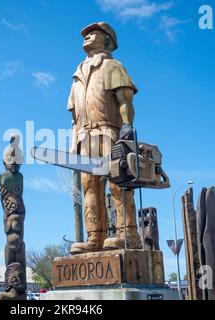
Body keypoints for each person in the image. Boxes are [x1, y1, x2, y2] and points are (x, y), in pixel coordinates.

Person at [68, 22, 142, 254]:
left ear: (107, 39)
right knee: (89, 187)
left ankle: (127, 233)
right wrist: (74, 143)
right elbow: (74, 114)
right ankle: (94, 237)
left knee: (117, 183)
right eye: (85, 34)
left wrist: (127, 126)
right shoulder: (77, 74)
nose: (87, 36)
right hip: (84, 136)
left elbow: (125, 99)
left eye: (93, 33)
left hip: (109, 131)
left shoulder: (112, 66)